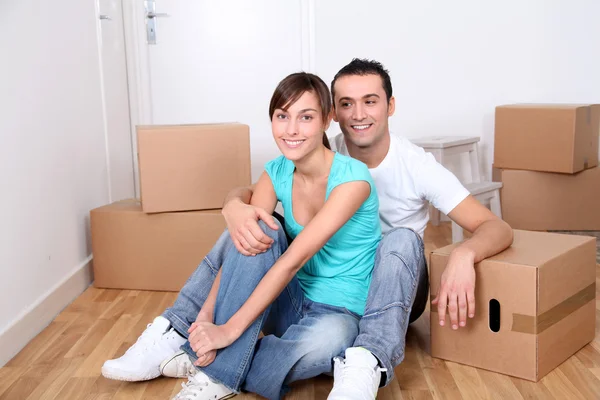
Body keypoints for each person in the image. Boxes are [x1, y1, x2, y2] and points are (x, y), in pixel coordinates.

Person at [221, 59, 514, 399]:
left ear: (390, 106)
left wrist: (464, 254)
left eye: (370, 101)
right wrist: (233, 204)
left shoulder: (416, 165)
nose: (358, 114)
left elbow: (496, 227)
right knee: (263, 229)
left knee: (400, 239)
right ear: (333, 112)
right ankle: (207, 349)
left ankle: (366, 359)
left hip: (394, 286)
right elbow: (267, 184)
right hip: (324, 290)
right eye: (346, 103)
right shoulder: (322, 145)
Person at [103, 72, 383, 400]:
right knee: (256, 227)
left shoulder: (353, 179)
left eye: (305, 117)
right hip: (289, 300)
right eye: (282, 117)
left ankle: (212, 366)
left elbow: (293, 261)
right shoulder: (277, 171)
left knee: (329, 343)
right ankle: (212, 366)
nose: (291, 130)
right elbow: (242, 245)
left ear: (327, 119)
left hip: (338, 310)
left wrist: (227, 331)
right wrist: (207, 315)